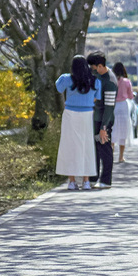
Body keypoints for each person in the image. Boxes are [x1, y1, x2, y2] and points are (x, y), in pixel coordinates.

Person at [55, 56, 99, 190]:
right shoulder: (95, 80)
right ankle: (86, 181)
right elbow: (97, 98)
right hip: (87, 115)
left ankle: (72, 181)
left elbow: (58, 88)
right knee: (87, 146)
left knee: (70, 146)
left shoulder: (67, 79)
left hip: (70, 114)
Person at [87, 51, 117, 189]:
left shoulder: (110, 81)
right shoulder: (99, 76)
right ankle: (93, 178)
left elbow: (109, 107)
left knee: (105, 148)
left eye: (93, 67)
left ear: (99, 66)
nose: (91, 70)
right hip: (96, 118)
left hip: (104, 120)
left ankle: (106, 180)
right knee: (95, 149)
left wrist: (104, 127)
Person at [112, 62, 133, 163]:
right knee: (123, 131)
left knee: (113, 130)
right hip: (123, 106)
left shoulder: (111, 80)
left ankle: (110, 156)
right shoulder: (126, 81)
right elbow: (130, 96)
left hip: (113, 106)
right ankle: (121, 157)